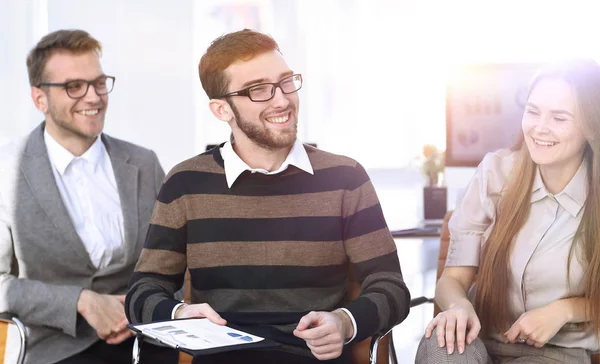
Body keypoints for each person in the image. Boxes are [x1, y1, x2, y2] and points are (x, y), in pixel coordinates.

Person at [126, 29, 411, 363]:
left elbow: (391, 287)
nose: (282, 99)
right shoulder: (186, 182)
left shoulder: (345, 178)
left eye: (286, 81)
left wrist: (345, 322)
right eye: (259, 90)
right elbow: (143, 291)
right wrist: (177, 314)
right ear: (222, 110)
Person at [0, 29, 178, 364]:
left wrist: (146, 306)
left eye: (98, 83)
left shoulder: (143, 163)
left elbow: (176, 261)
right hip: (58, 349)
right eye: (74, 87)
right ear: (40, 99)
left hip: (148, 340)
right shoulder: (6, 172)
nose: (94, 97)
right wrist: (80, 301)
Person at [415, 58, 600, 364]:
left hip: (556, 354)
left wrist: (563, 310)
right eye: (533, 111)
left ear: (590, 126)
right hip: (475, 338)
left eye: (559, 117)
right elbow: (453, 280)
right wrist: (458, 305)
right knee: (442, 354)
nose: (540, 128)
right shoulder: (495, 173)